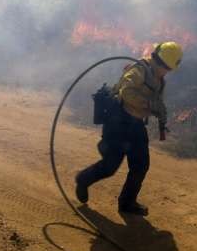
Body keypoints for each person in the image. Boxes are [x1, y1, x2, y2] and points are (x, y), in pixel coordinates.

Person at [75, 41, 183, 216]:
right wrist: (149, 104)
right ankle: (83, 179)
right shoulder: (139, 70)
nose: (167, 72)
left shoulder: (158, 78)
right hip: (118, 121)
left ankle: (127, 203)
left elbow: (155, 100)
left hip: (136, 124)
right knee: (110, 166)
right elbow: (127, 93)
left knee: (141, 165)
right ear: (160, 62)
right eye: (167, 68)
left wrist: (160, 111)